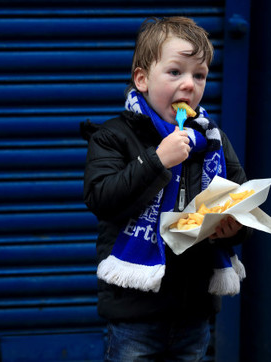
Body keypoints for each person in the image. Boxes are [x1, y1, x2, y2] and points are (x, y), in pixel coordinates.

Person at [81, 17, 251, 361]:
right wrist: (158, 160)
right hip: (135, 315)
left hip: (194, 310)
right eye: (175, 72)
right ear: (142, 79)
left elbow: (239, 194)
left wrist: (234, 227)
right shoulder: (113, 136)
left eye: (199, 75)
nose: (189, 85)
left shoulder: (210, 140)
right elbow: (102, 198)